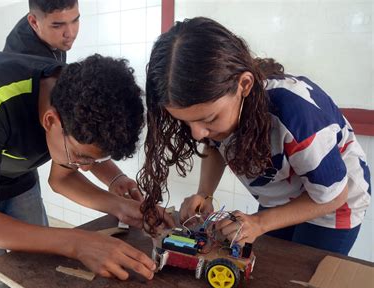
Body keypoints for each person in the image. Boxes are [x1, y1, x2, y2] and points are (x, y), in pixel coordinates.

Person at [0, 53, 165, 288]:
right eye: (82, 158)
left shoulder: (74, 100)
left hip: (12, 161)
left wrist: (119, 205)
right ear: (50, 121)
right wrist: (78, 242)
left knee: (38, 271)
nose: (86, 168)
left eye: (93, 160)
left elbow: (62, 179)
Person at [138, 17, 371, 255]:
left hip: (334, 204)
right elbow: (214, 145)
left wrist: (260, 222)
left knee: (303, 273)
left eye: (208, 119)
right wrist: (204, 193)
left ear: (244, 85)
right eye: (186, 122)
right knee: (269, 263)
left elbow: (334, 196)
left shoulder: (297, 117)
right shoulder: (217, 109)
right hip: (282, 196)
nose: (197, 134)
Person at [4, 0, 143, 203]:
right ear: (34, 22)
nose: (70, 33)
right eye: (58, 25)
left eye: (75, 20)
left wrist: (115, 178)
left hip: (20, 171)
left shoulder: (52, 40)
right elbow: (61, 175)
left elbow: (80, 133)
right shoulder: (26, 66)